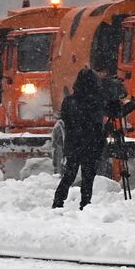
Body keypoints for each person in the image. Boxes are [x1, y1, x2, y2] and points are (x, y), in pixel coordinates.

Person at [52, 67, 107, 209]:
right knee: (88, 177)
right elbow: (116, 112)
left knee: (69, 175)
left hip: (73, 144)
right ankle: (85, 203)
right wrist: (133, 104)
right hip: (92, 144)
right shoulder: (97, 101)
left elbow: (65, 119)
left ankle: (58, 201)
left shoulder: (69, 101)